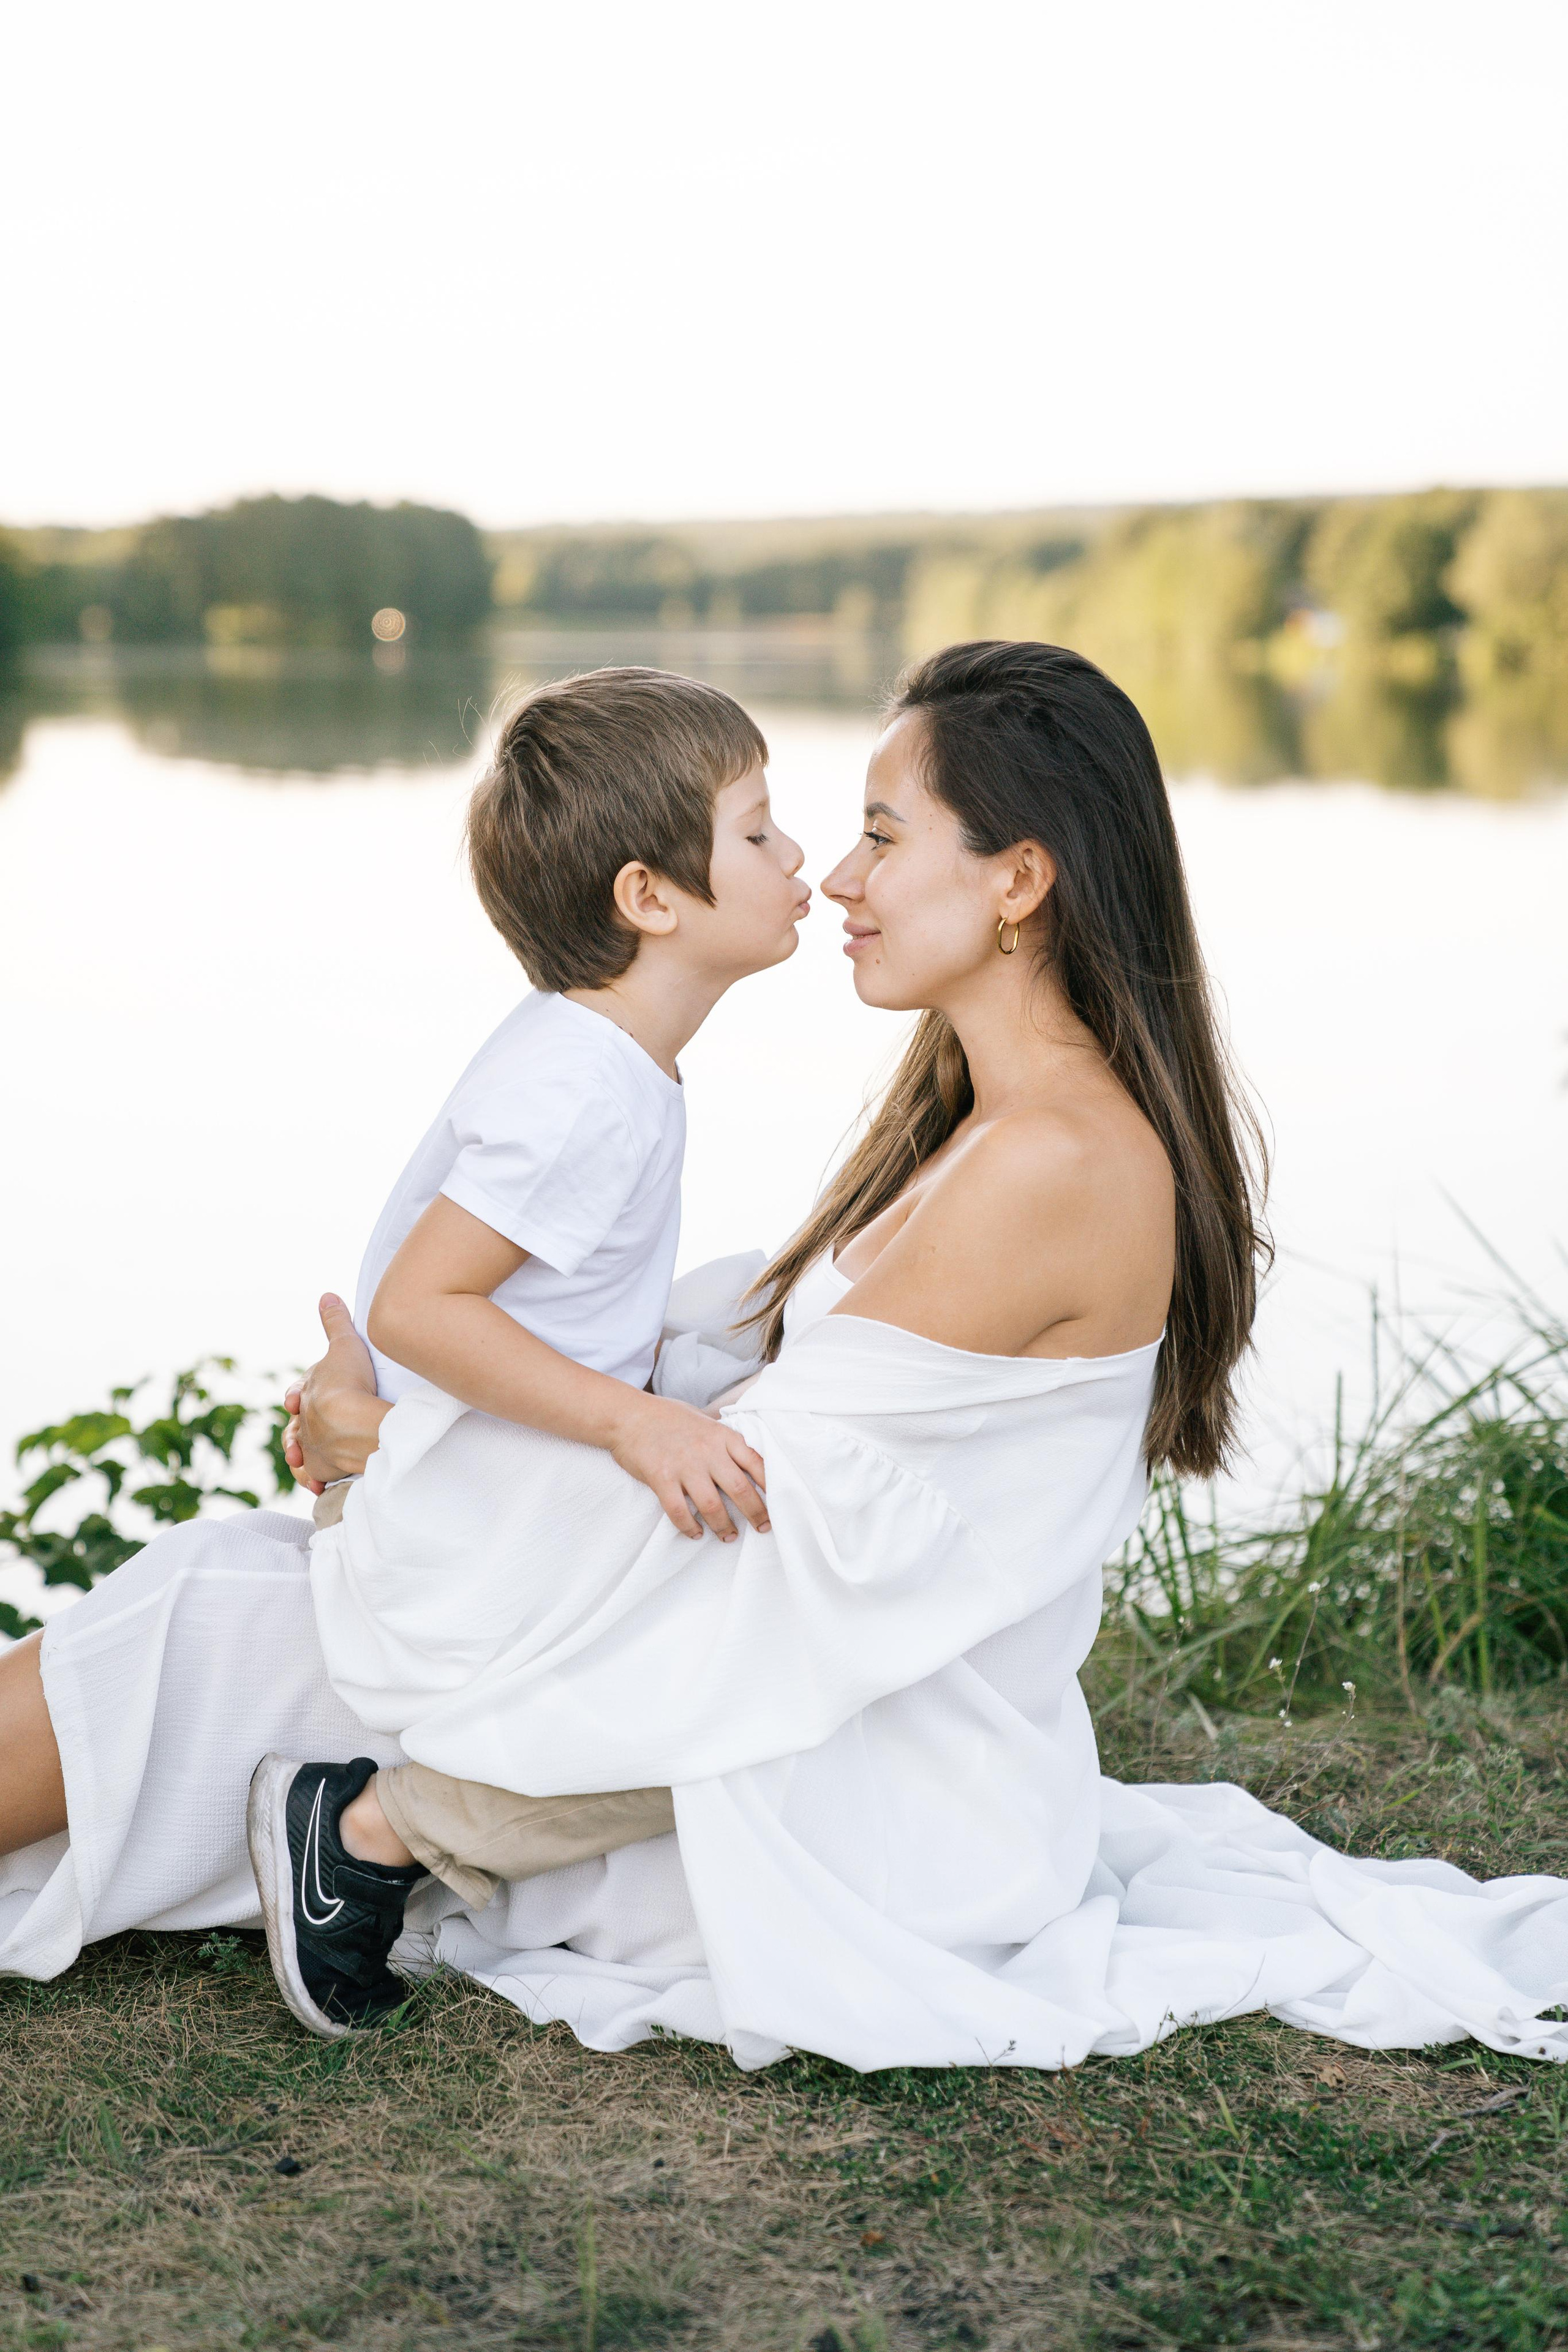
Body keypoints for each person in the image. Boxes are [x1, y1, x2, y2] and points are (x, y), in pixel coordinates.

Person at [3, 643, 1562, 2075]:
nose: (835, 876)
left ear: (1018, 879)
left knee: (227, 1632)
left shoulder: (1057, 1166)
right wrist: (405, 1439)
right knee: (228, 1611)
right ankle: (328, 1824)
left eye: (882, 832)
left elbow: (768, 1531)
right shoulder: (978, 1135)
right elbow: (733, 1417)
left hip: (849, 1783)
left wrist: (383, 1468)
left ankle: (370, 1837)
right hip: (776, 1700)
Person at [248, 665, 810, 2036]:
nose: (797, 858)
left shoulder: (608, 1056)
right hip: (449, 1528)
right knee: (760, 1669)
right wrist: (637, 1425)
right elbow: (424, 1309)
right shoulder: (586, 1088)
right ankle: (359, 1839)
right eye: (757, 829)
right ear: (649, 898)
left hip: (449, 1470)